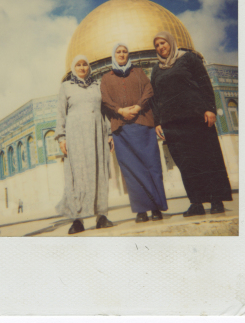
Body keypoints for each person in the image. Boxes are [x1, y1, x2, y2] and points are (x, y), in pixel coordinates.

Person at [151, 31, 232, 217]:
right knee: (187, 164)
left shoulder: (188, 59)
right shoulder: (157, 69)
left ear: (171, 43)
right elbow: (155, 97)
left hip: (196, 118)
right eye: (157, 45)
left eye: (163, 43)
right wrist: (157, 121)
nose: (161, 47)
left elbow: (204, 83)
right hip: (173, 124)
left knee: (206, 158)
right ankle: (196, 202)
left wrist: (210, 108)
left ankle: (216, 200)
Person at [100, 43, 168, 223]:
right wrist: (121, 111)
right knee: (132, 171)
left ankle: (156, 207)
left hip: (143, 124)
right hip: (121, 129)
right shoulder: (106, 78)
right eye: (118, 52)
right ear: (113, 55)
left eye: (124, 52)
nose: (122, 54)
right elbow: (105, 100)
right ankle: (141, 210)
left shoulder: (138, 72)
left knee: (151, 165)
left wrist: (138, 107)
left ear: (128, 55)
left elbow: (149, 90)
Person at [55, 55, 114, 234]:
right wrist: (61, 137)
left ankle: (101, 216)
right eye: (78, 65)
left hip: (98, 135)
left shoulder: (97, 86)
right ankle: (77, 220)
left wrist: (109, 133)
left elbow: (104, 111)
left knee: (100, 173)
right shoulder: (66, 87)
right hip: (76, 137)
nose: (82, 68)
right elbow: (60, 114)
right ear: (74, 68)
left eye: (84, 65)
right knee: (76, 176)